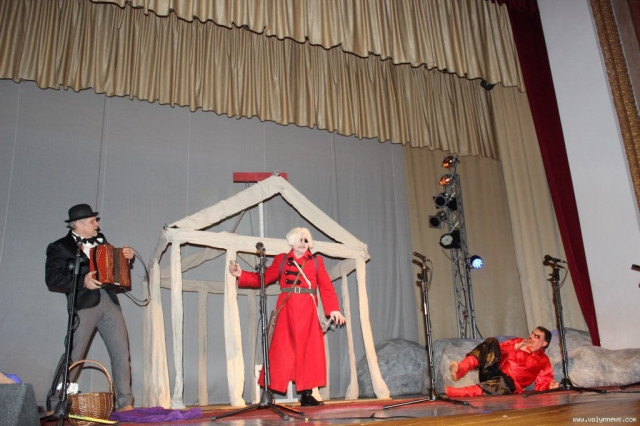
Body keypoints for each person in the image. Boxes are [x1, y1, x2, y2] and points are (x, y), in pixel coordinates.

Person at [229, 227, 346, 406]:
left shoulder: (316, 262)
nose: (303, 243)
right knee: (280, 351)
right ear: (291, 241)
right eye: (300, 239)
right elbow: (264, 278)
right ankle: (268, 392)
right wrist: (241, 274)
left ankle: (306, 394)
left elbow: (326, 286)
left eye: (306, 240)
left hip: (308, 313)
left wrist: (334, 310)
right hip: (286, 310)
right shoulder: (282, 260)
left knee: (308, 353)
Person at [45, 203, 134, 411]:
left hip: (109, 300)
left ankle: (125, 402)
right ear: (78, 224)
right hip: (84, 304)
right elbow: (53, 278)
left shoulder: (101, 241)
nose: (97, 224)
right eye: (92, 221)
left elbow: (112, 268)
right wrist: (82, 281)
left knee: (121, 352)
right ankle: (56, 402)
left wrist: (125, 258)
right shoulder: (60, 247)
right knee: (74, 354)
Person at [446, 326, 560, 397]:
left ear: (544, 343)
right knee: (491, 341)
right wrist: (516, 346)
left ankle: (459, 392)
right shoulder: (518, 341)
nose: (531, 337)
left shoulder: (544, 361)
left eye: (536, 336)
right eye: (532, 333)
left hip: (507, 384)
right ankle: (460, 369)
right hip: (492, 370)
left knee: (507, 382)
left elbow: (542, 382)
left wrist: (549, 386)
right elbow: (496, 350)